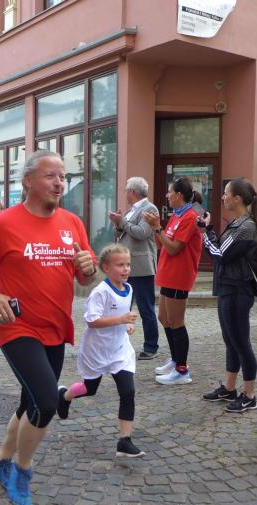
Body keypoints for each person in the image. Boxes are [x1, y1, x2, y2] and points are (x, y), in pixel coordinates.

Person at [0, 150, 97, 505]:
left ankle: (2, 458)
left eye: (62, 176)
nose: (59, 183)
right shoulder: (3, 224)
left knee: (29, 402)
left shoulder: (72, 223)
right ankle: (22, 469)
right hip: (16, 325)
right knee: (47, 402)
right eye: (51, 176)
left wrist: (88, 268)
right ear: (28, 181)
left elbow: (85, 276)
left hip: (56, 326)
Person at [56, 244, 145, 458]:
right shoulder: (100, 292)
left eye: (128, 264)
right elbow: (92, 321)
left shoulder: (129, 288)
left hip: (119, 350)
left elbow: (123, 312)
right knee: (90, 389)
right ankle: (64, 396)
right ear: (106, 267)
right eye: (120, 265)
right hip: (96, 350)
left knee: (128, 392)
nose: (126, 269)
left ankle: (125, 441)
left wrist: (127, 324)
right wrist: (121, 319)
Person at [198, 178, 257, 413]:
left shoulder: (246, 227)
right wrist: (208, 231)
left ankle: (249, 395)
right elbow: (222, 252)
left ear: (237, 198)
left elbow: (220, 254)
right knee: (230, 341)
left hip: (238, 290)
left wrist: (205, 232)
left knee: (241, 343)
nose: (223, 197)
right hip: (228, 288)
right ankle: (229, 388)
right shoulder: (237, 223)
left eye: (226, 193)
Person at [143, 177, 202, 385]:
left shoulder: (190, 217)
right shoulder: (177, 215)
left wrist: (157, 227)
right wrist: (155, 228)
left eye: (170, 192)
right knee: (164, 318)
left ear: (179, 195)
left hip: (179, 274)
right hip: (168, 273)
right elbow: (162, 245)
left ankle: (182, 370)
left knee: (176, 322)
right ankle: (176, 359)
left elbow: (174, 248)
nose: (167, 195)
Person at [109, 177, 160, 361]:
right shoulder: (131, 210)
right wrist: (118, 223)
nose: (125, 193)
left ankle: (151, 346)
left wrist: (122, 221)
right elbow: (124, 233)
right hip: (127, 266)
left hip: (141, 266)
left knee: (146, 308)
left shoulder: (150, 209)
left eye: (126, 190)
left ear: (132, 191)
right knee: (122, 306)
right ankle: (118, 344)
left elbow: (142, 233)